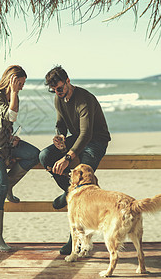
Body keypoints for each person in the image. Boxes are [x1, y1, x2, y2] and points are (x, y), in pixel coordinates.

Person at [39, 65, 111, 255]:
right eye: (53, 90)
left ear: (68, 81)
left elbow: (87, 134)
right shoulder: (59, 98)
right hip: (76, 138)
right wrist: (60, 136)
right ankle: (69, 193)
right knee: (44, 156)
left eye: (60, 88)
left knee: (82, 184)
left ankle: (75, 241)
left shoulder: (84, 99)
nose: (57, 93)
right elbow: (60, 124)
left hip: (95, 140)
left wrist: (68, 157)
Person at [0, 65, 40, 252]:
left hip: (5, 145)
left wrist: (11, 137)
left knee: (34, 154)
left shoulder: (8, 96)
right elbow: (10, 116)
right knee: (0, 187)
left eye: (23, 84)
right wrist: (13, 93)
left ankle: (10, 183)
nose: (22, 87)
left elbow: (6, 123)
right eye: (20, 83)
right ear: (11, 80)